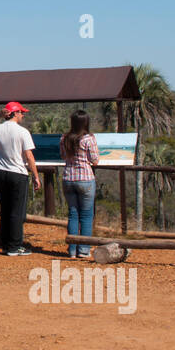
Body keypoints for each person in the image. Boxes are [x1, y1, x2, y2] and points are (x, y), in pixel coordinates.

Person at [0, 102, 41, 256]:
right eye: (21, 112)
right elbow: (29, 156)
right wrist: (36, 176)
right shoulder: (23, 132)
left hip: (1, 172)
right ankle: (15, 246)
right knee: (17, 212)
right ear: (15, 113)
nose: (23, 115)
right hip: (18, 173)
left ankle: (5, 243)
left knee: (6, 209)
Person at [61, 109, 100, 258]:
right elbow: (95, 160)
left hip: (68, 178)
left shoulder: (64, 138)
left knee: (73, 214)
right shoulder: (88, 139)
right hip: (85, 179)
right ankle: (83, 250)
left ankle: (72, 250)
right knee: (86, 215)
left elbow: (63, 156)